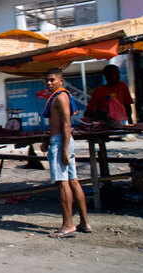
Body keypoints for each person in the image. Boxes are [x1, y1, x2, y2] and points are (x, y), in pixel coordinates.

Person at [40, 68, 92, 238]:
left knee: (62, 183)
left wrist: (63, 149)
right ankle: (84, 223)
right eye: (47, 80)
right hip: (59, 141)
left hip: (62, 142)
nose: (49, 83)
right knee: (73, 181)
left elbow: (67, 124)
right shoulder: (56, 97)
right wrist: (48, 140)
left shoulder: (61, 97)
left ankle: (68, 225)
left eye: (52, 80)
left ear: (61, 81)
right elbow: (57, 124)